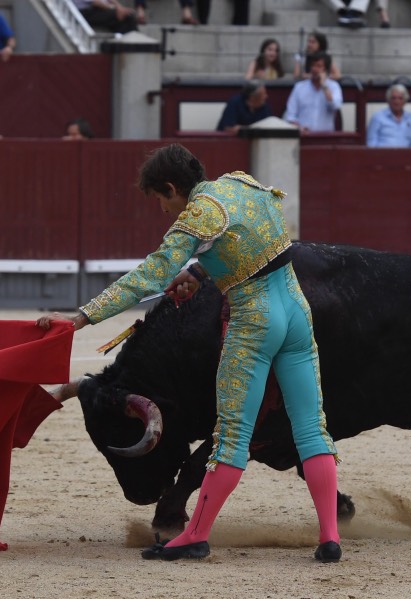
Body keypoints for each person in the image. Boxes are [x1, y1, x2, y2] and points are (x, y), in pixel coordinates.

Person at [36, 143, 342, 563]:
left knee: (231, 436)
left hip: (255, 322)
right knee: (311, 429)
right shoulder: (240, 183)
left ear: (170, 187)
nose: (164, 210)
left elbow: (150, 276)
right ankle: (330, 537)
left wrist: (80, 318)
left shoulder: (198, 214)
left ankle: (195, 535)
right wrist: (201, 270)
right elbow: (253, 241)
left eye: (160, 199)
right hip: (296, 313)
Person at [283, 53, 343, 133]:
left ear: (325, 69)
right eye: (313, 65)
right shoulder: (299, 87)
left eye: (319, 66)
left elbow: (335, 106)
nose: (315, 69)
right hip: (304, 136)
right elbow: (290, 115)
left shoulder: (334, 86)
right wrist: (299, 128)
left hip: (326, 136)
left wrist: (324, 85)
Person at [71, 0, 140, 33]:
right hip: (87, 12)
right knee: (127, 17)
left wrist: (121, 8)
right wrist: (116, 9)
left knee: (129, 14)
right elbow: (96, 3)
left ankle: (135, 42)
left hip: (102, 9)